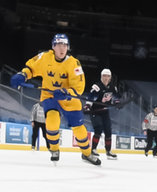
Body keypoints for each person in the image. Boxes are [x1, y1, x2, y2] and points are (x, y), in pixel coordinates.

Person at [10, 34, 100, 165]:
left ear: (68, 47)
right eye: (58, 45)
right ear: (53, 47)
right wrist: (23, 74)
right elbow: (31, 68)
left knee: (79, 129)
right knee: (52, 121)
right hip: (50, 96)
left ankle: (87, 154)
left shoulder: (74, 63)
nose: (62, 48)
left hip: (69, 98)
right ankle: (54, 149)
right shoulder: (45, 57)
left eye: (65, 45)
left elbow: (79, 87)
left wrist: (66, 92)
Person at [85, 68, 121, 159]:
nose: (106, 78)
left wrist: (117, 103)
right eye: (104, 76)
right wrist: (87, 106)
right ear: (101, 76)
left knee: (108, 130)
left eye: (108, 76)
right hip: (95, 111)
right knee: (98, 129)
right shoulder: (96, 87)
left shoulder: (113, 87)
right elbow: (90, 98)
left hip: (105, 111)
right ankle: (93, 149)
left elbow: (116, 97)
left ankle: (108, 151)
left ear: (110, 77)